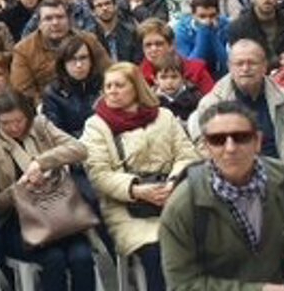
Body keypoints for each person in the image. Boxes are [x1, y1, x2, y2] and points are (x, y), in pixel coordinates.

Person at [159, 101, 284, 290]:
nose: (230, 148)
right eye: (218, 140)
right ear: (207, 147)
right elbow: (182, 285)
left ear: (257, 141)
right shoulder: (184, 205)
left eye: (241, 137)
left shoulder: (283, 179)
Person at [80, 62, 201, 291]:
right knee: (159, 251)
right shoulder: (96, 126)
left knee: (210, 240)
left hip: (173, 197)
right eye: (108, 86)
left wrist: (173, 183)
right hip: (127, 209)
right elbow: (99, 174)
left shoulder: (163, 116)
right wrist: (135, 190)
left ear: (136, 87)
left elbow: (187, 155)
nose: (112, 91)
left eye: (119, 85)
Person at [0, 92, 94, 291]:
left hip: (61, 212)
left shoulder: (41, 126)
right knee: (54, 259)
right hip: (21, 223)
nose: (14, 127)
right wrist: (19, 188)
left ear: (27, 115)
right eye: (5, 123)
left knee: (81, 257)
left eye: (19, 120)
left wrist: (41, 162)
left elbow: (79, 149)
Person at [189, 39, 284, 198]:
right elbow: (206, 149)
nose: (245, 68)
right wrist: (242, 182)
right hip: (233, 185)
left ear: (265, 66)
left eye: (252, 63)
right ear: (229, 67)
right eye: (239, 63)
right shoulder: (211, 104)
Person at [10, 0, 110, 104]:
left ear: (69, 20)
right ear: (39, 23)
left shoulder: (89, 40)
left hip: (92, 101)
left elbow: (109, 72)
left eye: (60, 17)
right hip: (47, 106)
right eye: (48, 18)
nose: (55, 23)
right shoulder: (23, 50)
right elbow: (23, 91)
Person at [42, 35, 108, 139]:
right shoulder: (53, 93)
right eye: (72, 59)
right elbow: (57, 135)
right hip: (74, 145)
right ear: (63, 63)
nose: (79, 65)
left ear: (91, 60)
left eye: (83, 58)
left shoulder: (105, 83)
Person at [138, 17, 214, 95]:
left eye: (159, 44)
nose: (153, 49)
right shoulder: (138, 76)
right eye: (148, 45)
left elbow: (212, 98)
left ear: (171, 45)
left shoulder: (197, 71)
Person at [172, 0, 231, 79]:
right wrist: (203, 32)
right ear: (193, 15)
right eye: (202, 16)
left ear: (218, 14)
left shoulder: (226, 25)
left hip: (221, 75)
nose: (207, 21)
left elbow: (227, 65)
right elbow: (190, 67)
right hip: (195, 78)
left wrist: (212, 34)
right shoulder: (182, 29)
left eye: (212, 16)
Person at [150, 54, 201, 121]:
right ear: (155, 80)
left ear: (183, 78)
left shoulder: (194, 97)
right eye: (163, 77)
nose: (169, 82)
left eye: (174, 77)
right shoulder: (151, 102)